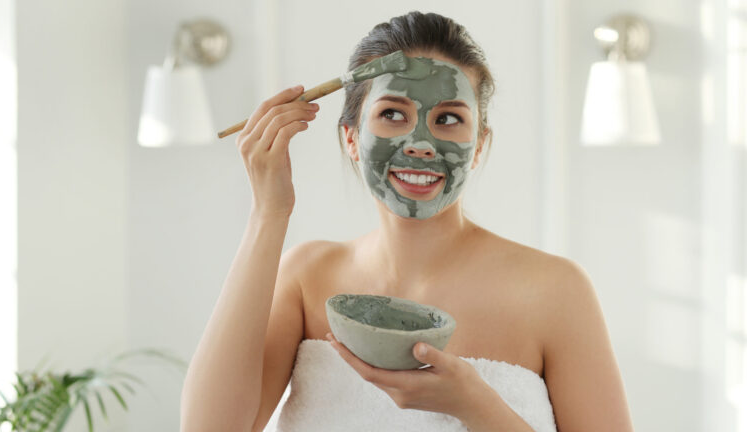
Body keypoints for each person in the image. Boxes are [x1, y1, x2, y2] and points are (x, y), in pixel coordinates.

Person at [180, 11, 634, 432]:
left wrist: (477, 405)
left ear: (478, 145)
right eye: (393, 114)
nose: (420, 143)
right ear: (352, 138)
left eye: (449, 118)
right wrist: (268, 214)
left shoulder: (556, 290)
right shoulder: (305, 278)